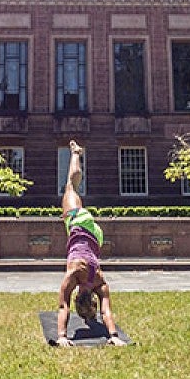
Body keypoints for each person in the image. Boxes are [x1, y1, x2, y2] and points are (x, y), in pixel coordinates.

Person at [55, 140, 126, 346]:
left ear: (92, 300)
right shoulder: (73, 276)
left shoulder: (100, 281)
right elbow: (62, 307)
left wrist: (113, 335)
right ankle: (76, 154)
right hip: (80, 224)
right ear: (77, 297)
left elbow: (106, 311)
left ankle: (75, 154)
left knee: (72, 188)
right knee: (70, 186)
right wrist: (62, 336)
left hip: (97, 237)